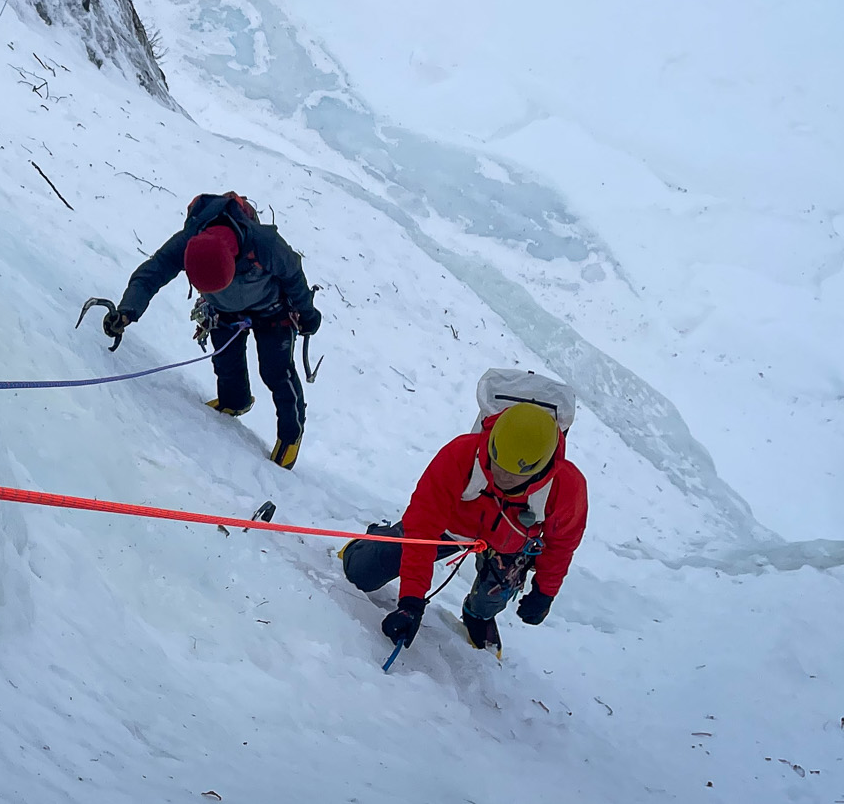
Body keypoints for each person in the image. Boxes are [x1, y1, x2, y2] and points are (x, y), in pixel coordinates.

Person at [340, 391, 588, 657]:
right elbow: (422, 530)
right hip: (452, 528)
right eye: (496, 464)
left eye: (513, 474)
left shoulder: (567, 488)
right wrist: (410, 603)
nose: (501, 476)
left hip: (511, 544)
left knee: (488, 602)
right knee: (361, 572)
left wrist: (544, 592)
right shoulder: (460, 455)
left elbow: (561, 545)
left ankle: (478, 614)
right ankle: (374, 540)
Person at [100, 192, 321, 468]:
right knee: (226, 360)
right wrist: (127, 311)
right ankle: (235, 400)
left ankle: (291, 433)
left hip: (273, 310)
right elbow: (152, 273)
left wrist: (307, 313)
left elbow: (293, 276)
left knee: (277, 371)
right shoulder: (190, 241)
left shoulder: (264, 243)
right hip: (225, 309)